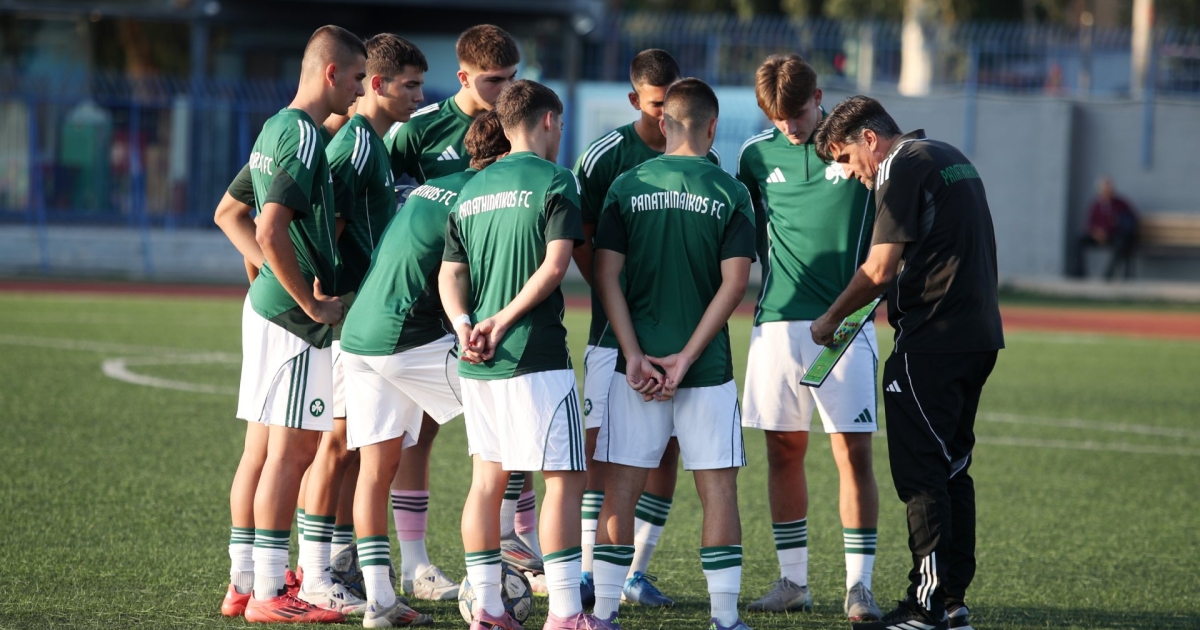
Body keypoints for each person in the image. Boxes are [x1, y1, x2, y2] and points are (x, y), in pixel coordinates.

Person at [813, 95, 1005, 630]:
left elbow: (879, 269)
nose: (850, 173)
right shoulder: (947, 154)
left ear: (870, 139)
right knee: (953, 469)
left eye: (846, 158)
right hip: (978, 336)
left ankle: (926, 606)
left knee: (921, 476)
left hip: (931, 339)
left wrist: (829, 319)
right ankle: (952, 602)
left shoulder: (900, 166)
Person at [592, 78, 756, 630]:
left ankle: (604, 614)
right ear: (713, 127)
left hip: (635, 369)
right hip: (706, 369)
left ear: (663, 123)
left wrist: (634, 353)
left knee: (620, 489)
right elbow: (735, 284)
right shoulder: (730, 192)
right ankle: (725, 620)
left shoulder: (625, 186)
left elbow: (605, 276)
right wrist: (685, 358)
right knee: (719, 490)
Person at [439, 79, 603, 630]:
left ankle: (487, 609)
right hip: (534, 356)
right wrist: (503, 320)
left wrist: (466, 325)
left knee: (487, 481)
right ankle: (566, 614)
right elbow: (557, 266)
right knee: (564, 480)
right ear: (549, 121)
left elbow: (450, 274)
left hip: (477, 360)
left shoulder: (472, 188)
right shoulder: (557, 179)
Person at [382, 25, 543, 586]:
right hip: (427, 307)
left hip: (496, 297)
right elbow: (377, 192)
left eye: (512, 78)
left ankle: (518, 540)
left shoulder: (520, 122)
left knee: (518, 414)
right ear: (464, 77)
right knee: (416, 433)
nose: (505, 90)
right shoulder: (418, 128)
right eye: (494, 80)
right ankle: (415, 563)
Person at [340, 110, 510, 628]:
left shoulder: (438, 185)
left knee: (376, 469)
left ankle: (380, 601)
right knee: (513, 416)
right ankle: (501, 568)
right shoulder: (483, 197)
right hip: (403, 336)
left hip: (360, 334)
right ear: (508, 152)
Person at [736, 54, 882, 622]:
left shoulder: (856, 148)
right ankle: (793, 581)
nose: (790, 127)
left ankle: (859, 587)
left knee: (853, 453)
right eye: (777, 117)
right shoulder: (754, 156)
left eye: (796, 113)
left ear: (818, 98)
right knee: (781, 450)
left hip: (846, 323)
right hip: (776, 322)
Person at [570, 48, 719, 608]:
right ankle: (589, 569)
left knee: (668, 447)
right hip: (614, 334)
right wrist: (621, 304)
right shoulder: (605, 156)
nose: (665, 113)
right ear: (635, 100)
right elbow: (581, 238)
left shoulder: (706, 160)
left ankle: (636, 570)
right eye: (656, 103)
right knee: (601, 447)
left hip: (678, 336)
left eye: (672, 101)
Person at [294, 33, 430, 615]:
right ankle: (312, 572)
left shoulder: (373, 143)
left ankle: (337, 561)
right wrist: (326, 293)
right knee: (336, 443)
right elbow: (323, 227)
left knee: (353, 446)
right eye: (411, 86)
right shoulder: (353, 145)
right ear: (376, 84)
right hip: (350, 315)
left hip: (364, 314)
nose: (419, 97)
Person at [235, 25, 366, 624]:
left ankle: (246, 583)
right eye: (358, 77)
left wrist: (268, 279)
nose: (360, 90)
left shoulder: (274, 126)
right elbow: (267, 228)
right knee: (292, 454)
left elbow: (231, 213)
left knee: (268, 453)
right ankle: (268, 593)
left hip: (272, 311)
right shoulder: (306, 135)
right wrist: (309, 304)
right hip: (292, 322)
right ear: (331, 73)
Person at [1075, 176, 1138, 280]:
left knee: (1122, 244)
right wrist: (1096, 233)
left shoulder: (1120, 204)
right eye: (1104, 189)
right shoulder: (1096, 205)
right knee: (1079, 241)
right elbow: (1090, 224)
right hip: (1097, 236)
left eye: (1109, 188)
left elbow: (1129, 222)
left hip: (1113, 236)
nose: (1106, 191)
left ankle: (1108, 275)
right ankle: (1080, 274)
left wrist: (1108, 232)